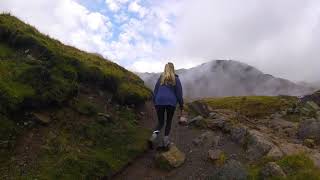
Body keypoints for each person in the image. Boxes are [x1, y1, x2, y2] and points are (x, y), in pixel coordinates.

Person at [149, 62, 184, 148]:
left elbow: (155, 91)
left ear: (165, 69)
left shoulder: (160, 78)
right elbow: (179, 94)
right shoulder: (176, 79)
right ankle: (165, 141)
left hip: (159, 102)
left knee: (161, 122)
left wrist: (155, 102)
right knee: (168, 121)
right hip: (171, 103)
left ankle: (153, 136)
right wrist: (181, 105)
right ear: (173, 69)